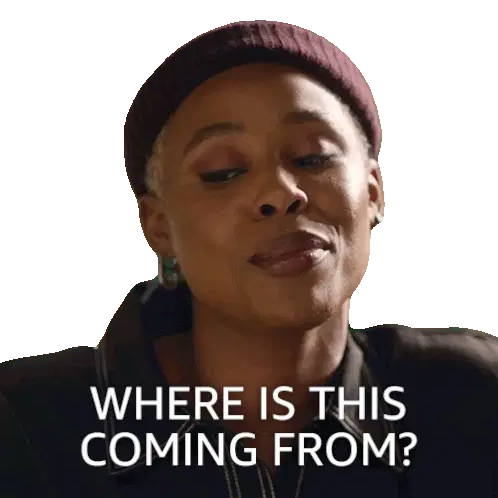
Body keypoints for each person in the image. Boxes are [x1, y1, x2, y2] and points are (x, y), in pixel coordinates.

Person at [1, 20, 497, 498]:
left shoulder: (475, 400)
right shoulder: (25, 428)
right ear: (160, 227)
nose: (280, 193)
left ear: (373, 193)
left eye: (312, 157)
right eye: (223, 172)